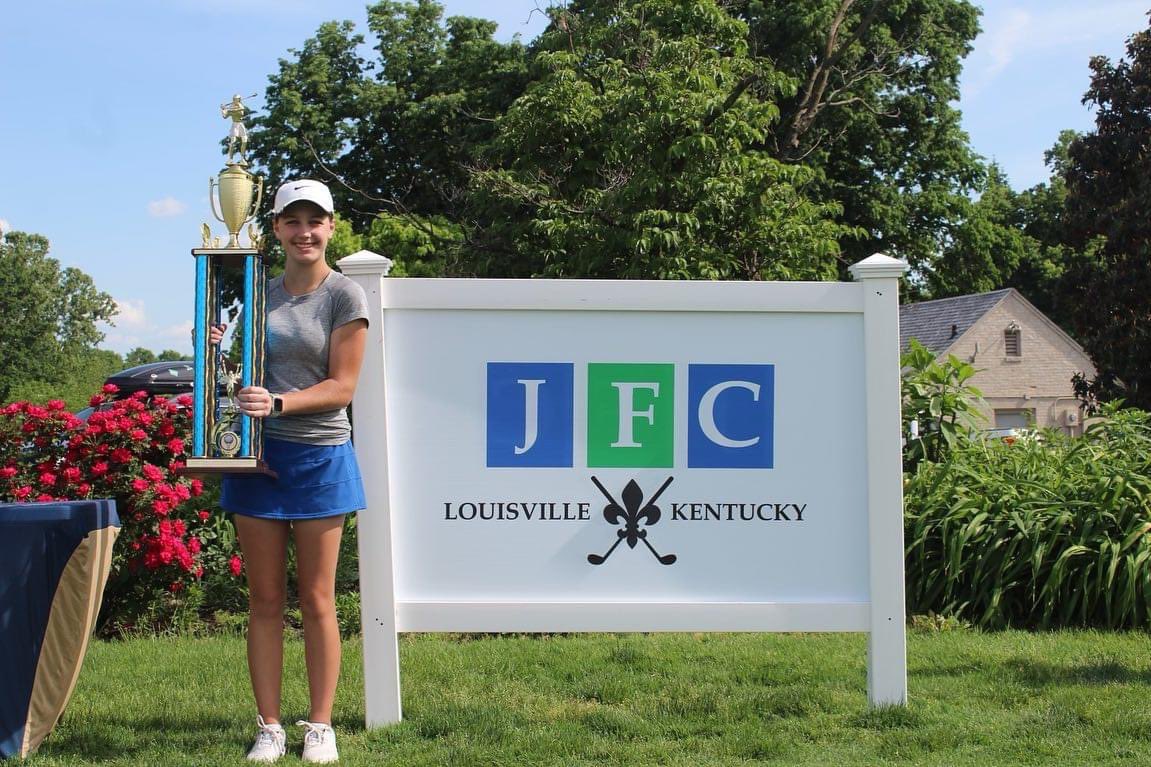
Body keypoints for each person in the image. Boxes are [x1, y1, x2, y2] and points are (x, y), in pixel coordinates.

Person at [210, 179, 369, 763]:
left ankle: (320, 726)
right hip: (258, 460)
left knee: (319, 599)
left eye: (315, 220)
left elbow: (341, 387)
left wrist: (277, 403)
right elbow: (232, 376)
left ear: (331, 226)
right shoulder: (252, 295)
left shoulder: (345, 296)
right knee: (265, 600)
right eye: (292, 221)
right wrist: (217, 351)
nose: (305, 231)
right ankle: (270, 726)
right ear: (275, 228)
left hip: (321, 455)